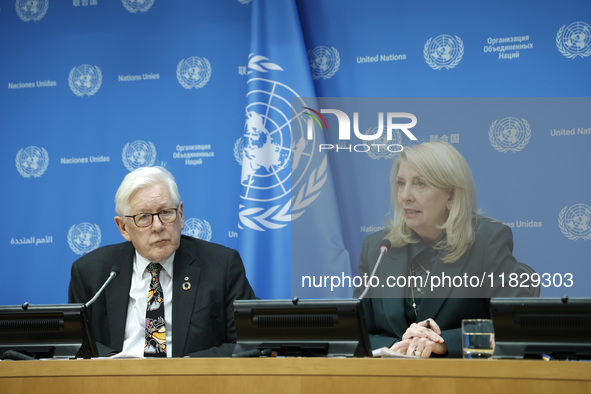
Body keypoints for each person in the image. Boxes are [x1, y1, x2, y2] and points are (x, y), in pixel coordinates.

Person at [353, 141, 531, 358]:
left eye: (419, 183)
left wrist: (444, 342)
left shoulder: (487, 240)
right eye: (401, 183)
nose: (405, 196)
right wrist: (398, 344)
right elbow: (356, 333)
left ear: (451, 194)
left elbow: (517, 324)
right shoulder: (378, 248)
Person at [69, 166, 256, 357]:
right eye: (143, 217)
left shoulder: (221, 266)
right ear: (123, 227)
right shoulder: (92, 272)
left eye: (166, 212)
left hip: (194, 382)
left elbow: (250, 342)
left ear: (181, 215)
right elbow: (75, 342)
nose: (158, 226)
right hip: (117, 382)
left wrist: (186, 367)